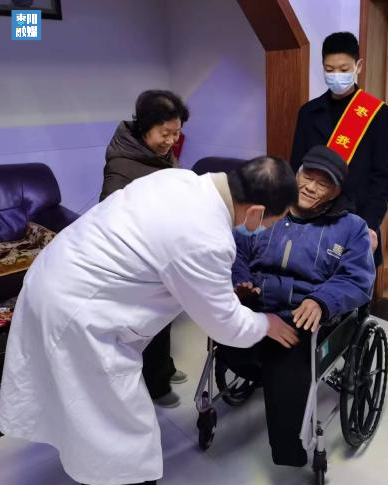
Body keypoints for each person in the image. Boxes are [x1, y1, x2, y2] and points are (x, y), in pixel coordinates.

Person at [0, 157, 301, 485]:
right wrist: (266, 324)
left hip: (54, 274)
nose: (265, 230)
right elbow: (225, 326)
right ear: (256, 211)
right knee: (121, 435)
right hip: (78, 312)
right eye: (272, 223)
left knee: (79, 405)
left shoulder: (178, 180)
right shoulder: (208, 238)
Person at [219, 145, 376, 467]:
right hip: (257, 303)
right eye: (307, 176)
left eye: (323, 183)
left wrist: (322, 300)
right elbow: (237, 249)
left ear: (336, 191)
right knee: (227, 340)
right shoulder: (269, 209)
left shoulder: (352, 227)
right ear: (296, 174)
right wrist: (242, 281)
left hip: (303, 315)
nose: (310, 187)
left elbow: (358, 279)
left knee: (286, 359)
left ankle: (288, 453)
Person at [100, 90, 190, 409]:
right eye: (165, 133)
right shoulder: (122, 164)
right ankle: (155, 384)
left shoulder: (159, 154)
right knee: (145, 321)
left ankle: (162, 367)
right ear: (144, 127)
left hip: (163, 250)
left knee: (164, 314)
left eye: (176, 133)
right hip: (138, 257)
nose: (171, 141)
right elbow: (109, 217)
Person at [291, 32, 388, 266]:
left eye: (344, 69)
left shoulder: (378, 114)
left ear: (358, 66)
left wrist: (369, 225)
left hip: (356, 219)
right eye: (330, 69)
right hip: (313, 218)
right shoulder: (308, 113)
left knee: (352, 282)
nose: (336, 75)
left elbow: (382, 176)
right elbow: (295, 167)